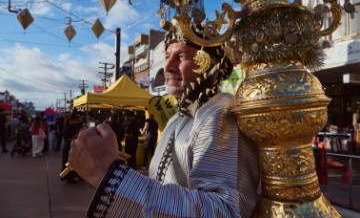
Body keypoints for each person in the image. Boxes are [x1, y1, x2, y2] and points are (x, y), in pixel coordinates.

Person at [69, 24, 261, 217]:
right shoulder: (176, 119)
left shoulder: (220, 111)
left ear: (207, 62)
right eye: (167, 57)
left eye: (181, 56)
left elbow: (226, 211)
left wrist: (111, 176)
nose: (167, 67)